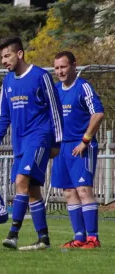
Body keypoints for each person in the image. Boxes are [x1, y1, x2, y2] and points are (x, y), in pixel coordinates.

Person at [0, 37, 64, 251]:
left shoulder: (41, 76)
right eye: (1, 57)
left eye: (7, 56)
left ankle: (13, 234)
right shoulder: (7, 82)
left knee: (21, 180)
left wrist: (57, 142)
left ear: (19, 54)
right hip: (19, 142)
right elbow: (3, 116)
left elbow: (55, 110)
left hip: (39, 136)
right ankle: (43, 239)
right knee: (31, 190)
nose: (3, 61)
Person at [51, 51, 103, 249]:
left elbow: (98, 114)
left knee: (83, 190)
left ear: (74, 65)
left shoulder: (83, 87)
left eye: (63, 67)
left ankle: (93, 238)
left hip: (81, 146)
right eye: (56, 68)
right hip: (61, 148)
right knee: (69, 192)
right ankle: (79, 238)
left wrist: (85, 140)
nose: (60, 71)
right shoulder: (56, 90)